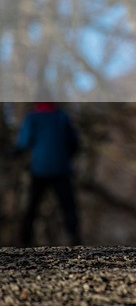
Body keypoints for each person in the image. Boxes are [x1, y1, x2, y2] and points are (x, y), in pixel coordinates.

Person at [16, 102, 81, 247]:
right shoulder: (62, 116)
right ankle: (74, 236)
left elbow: (23, 142)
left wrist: (16, 152)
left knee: (33, 204)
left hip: (40, 168)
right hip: (61, 169)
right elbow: (74, 142)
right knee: (68, 206)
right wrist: (66, 157)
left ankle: (25, 240)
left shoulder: (32, 118)